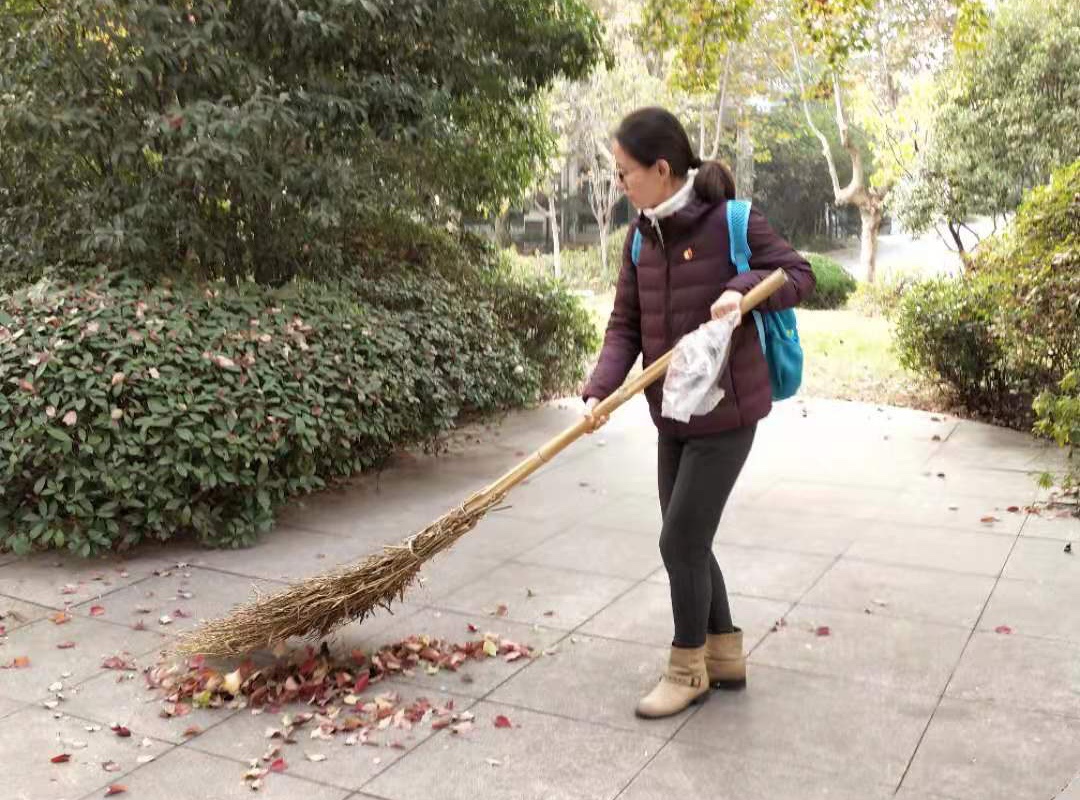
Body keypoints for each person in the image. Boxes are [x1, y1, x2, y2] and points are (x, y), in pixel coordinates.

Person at [582, 107, 815, 719]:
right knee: (689, 537)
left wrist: (742, 288)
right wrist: (598, 391)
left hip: (728, 408)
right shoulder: (639, 236)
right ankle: (725, 652)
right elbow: (625, 325)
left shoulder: (731, 221)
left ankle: (688, 668)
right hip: (672, 412)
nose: (620, 183)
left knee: (679, 539)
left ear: (662, 169)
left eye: (624, 172)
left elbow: (798, 273)